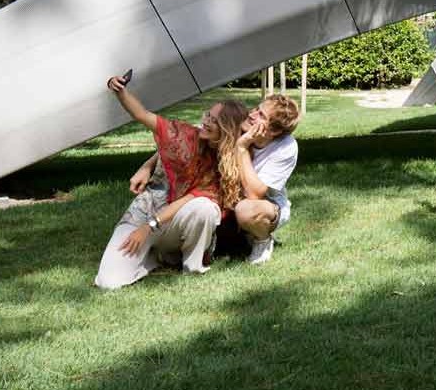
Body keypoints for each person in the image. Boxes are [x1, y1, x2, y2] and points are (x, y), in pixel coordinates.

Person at [93, 75, 249, 289]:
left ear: (227, 128)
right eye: (207, 115)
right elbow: (143, 115)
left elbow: (191, 199)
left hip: (172, 220)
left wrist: (150, 227)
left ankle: (192, 267)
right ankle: (157, 256)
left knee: (204, 208)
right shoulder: (187, 135)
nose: (205, 121)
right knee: (108, 282)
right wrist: (120, 90)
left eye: (213, 120)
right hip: (145, 213)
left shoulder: (228, 163)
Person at [230, 94, 302, 264]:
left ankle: (262, 239)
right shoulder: (238, 125)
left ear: (274, 131)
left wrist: (241, 148)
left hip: (266, 205)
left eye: (261, 115)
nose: (252, 114)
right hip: (230, 198)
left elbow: (254, 194)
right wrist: (152, 164)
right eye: (256, 108)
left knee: (246, 210)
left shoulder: (285, 147)